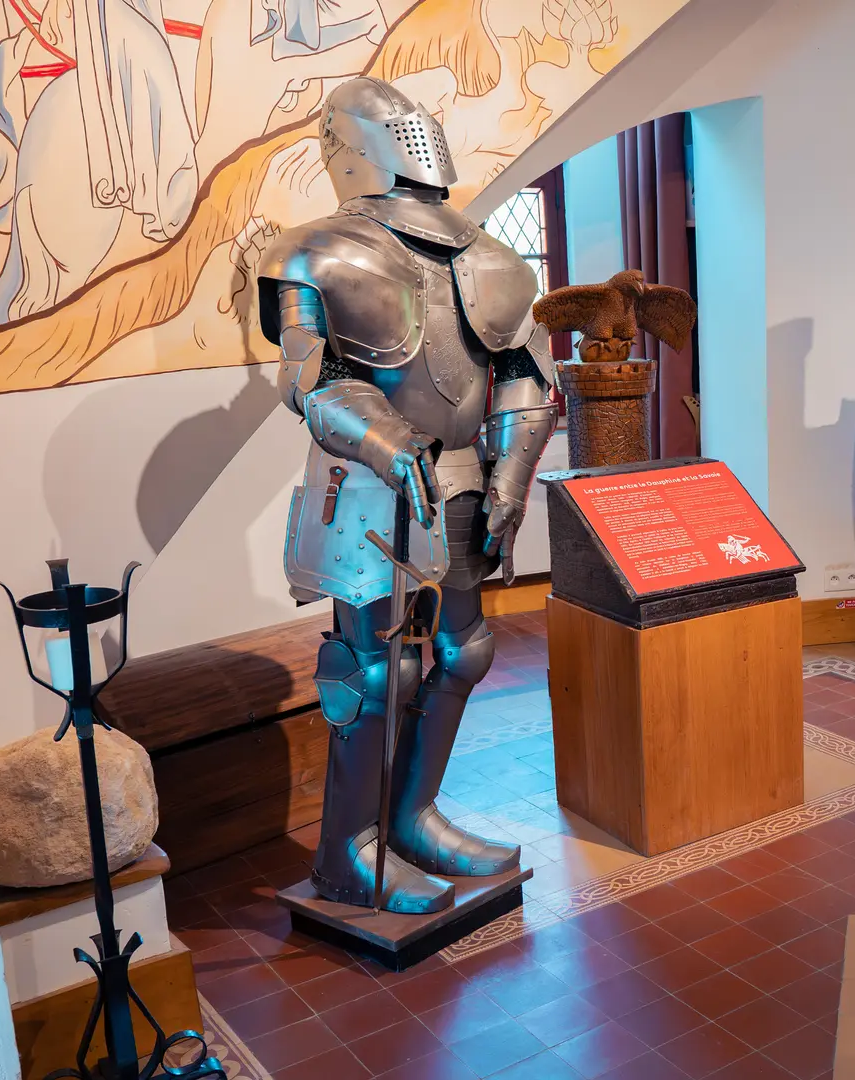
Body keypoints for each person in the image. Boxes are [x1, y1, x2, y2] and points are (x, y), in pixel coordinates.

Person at [255, 77, 556, 912]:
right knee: (376, 671)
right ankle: (350, 851)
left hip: (461, 481)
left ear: (348, 152)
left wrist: (510, 474)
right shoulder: (313, 253)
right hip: (363, 486)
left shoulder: (492, 259)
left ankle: (413, 819)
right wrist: (389, 442)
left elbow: (525, 378)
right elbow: (309, 381)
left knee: (465, 653)